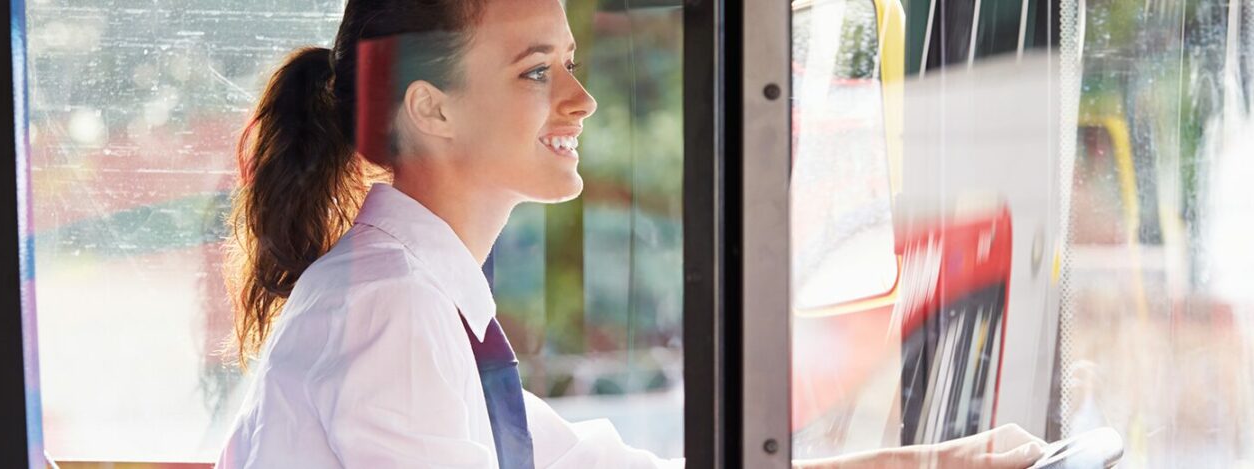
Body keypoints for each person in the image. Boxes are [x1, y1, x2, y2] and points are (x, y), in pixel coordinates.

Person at [217, 0, 1046, 467]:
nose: (583, 99)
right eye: (538, 70)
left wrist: (936, 462)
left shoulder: (416, 295)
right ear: (431, 107)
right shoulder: (389, 310)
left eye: (570, 61)